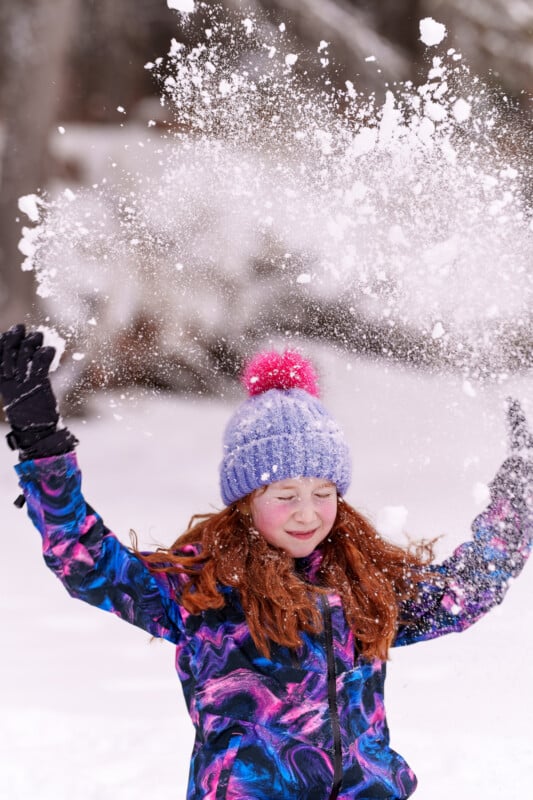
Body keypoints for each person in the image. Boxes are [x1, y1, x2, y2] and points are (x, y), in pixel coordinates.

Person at [1, 323, 531, 800]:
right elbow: (87, 561)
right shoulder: (205, 591)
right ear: (246, 498)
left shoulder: (361, 586)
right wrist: (42, 446)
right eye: (284, 494)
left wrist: (518, 503)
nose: (307, 513)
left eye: (323, 492)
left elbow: (463, 593)